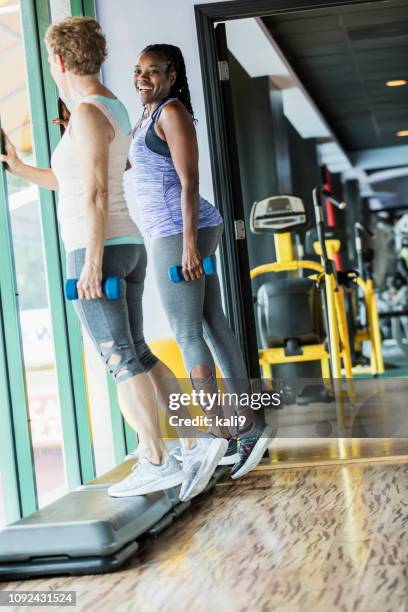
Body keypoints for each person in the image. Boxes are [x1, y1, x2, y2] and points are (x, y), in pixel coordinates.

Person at [0, 17, 225, 502]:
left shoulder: (84, 112)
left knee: (120, 360)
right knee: (140, 354)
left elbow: (98, 193)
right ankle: (195, 440)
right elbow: (82, 180)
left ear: (58, 61)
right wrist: (19, 168)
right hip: (131, 244)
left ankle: (155, 459)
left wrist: (91, 262)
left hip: (97, 246)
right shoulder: (114, 107)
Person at [128, 43, 273, 484]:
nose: (143, 78)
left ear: (173, 76)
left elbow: (190, 182)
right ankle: (248, 425)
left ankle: (222, 432)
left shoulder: (171, 112)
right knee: (214, 324)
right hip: (176, 230)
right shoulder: (148, 116)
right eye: (139, 71)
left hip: (177, 231)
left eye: (153, 71)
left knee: (188, 332)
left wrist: (190, 246)